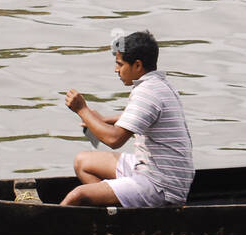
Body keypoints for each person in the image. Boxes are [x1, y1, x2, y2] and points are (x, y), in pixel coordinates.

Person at [60, 30, 195, 207]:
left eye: (120, 64)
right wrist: (104, 120)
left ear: (137, 66)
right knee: (83, 162)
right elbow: (138, 118)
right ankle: (115, 209)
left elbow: (114, 139)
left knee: (77, 196)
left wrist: (81, 109)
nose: (116, 70)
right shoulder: (158, 84)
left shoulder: (147, 92)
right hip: (150, 168)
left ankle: (42, 227)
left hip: (161, 184)